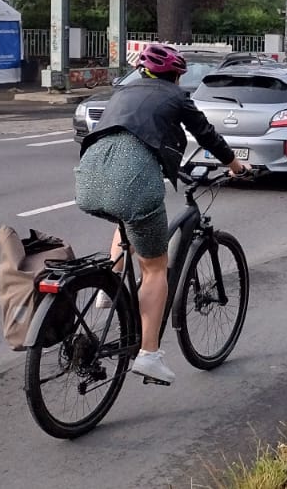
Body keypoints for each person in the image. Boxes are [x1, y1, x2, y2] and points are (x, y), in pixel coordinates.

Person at [74, 43, 247, 385]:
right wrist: (235, 165)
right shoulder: (177, 97)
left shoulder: (124, 90)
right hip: (134, 180)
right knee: (155, 270)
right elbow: (207, 135)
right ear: (176, 75)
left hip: (89, 178)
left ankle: (107, 290)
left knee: (126, 220)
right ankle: (149, 354)